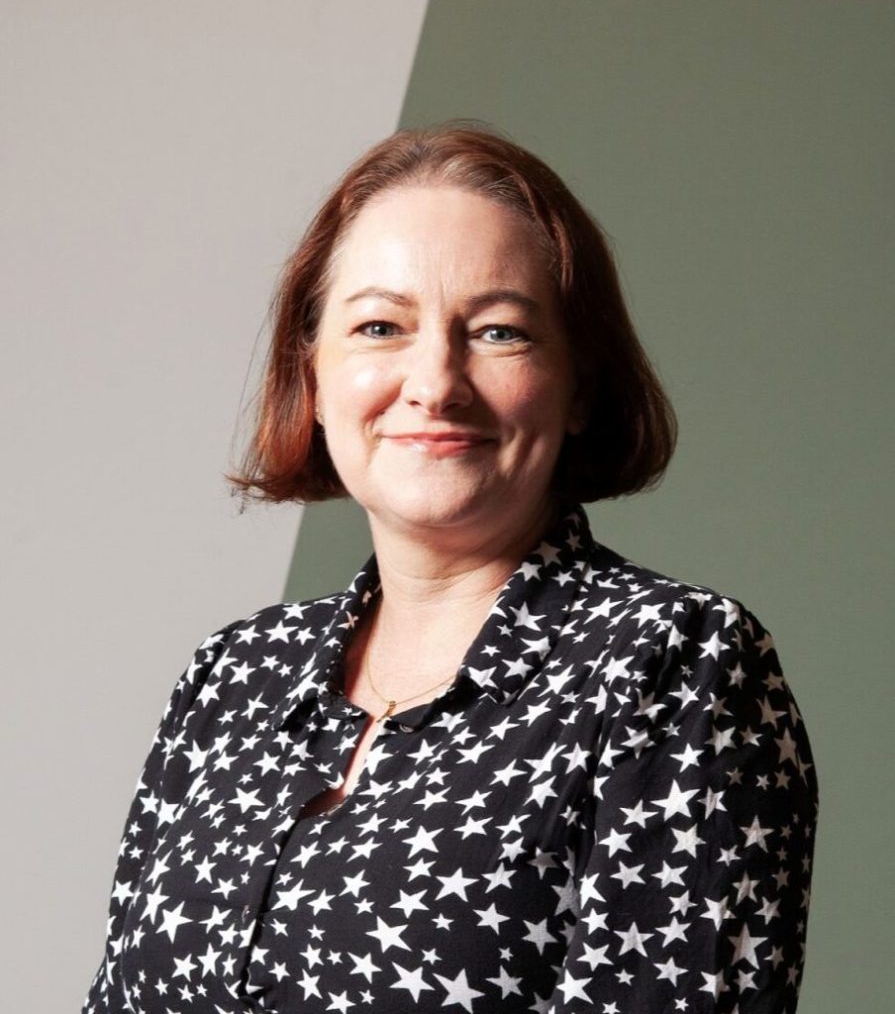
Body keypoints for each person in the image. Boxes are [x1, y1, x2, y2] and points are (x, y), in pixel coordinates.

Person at [82, 123, 817, 1014]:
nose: (434, 383)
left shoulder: (672, 665)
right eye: (379, 327)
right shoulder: (234, 675)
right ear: (313, 376)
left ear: (579, 386)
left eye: (499, 331)